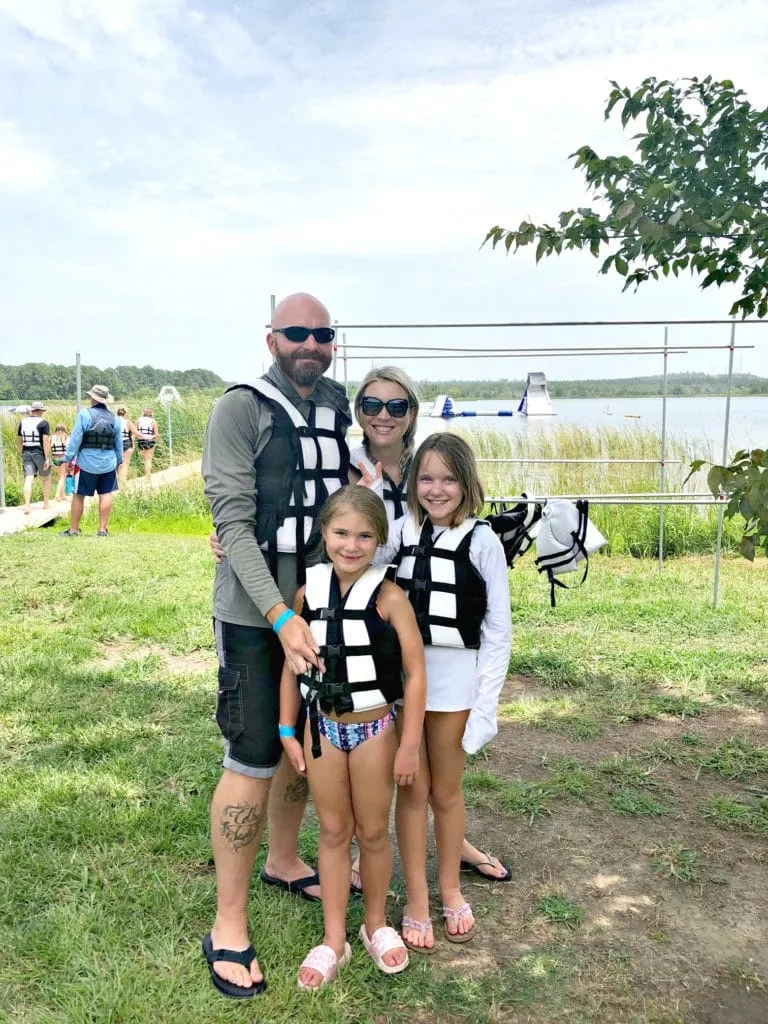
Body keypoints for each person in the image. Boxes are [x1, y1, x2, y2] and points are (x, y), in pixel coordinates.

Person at [211, 365, 515, 886]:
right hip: (365, 630)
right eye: (371, 405)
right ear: (358, 413)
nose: (383, 416)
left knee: (434, 753)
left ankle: (451, 836)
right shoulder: (343, 467)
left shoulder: (431, 467)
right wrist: (231, 539)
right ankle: (357, 849)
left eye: (396, 406)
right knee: (366, 738)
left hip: (432, 632)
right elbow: (309, 518)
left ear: (412, 413)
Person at [200, 292, 351, 1000]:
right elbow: (232, 521)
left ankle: (285, 860)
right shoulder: (239, 410)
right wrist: (278, 617)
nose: (311, 344)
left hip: (320, 605)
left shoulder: (342, 403)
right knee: (255, 753)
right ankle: (228, 925)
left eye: (322, 333)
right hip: (257, 617)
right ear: (271, 339)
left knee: (306, 741)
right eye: (298, 332)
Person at [279, 487, 426, 989]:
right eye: (341, 533)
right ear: (324, 534)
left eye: (365, 536)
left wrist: (409, 744)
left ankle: (376, 924)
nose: (352, 545)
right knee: (333, 831)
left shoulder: (389, 597)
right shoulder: (305, 593)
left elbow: (415, 672)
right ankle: (333, 939)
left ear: (379, 541)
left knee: (371, 832)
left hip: (375, 729)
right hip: (320, 729)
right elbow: (290, 669)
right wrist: (286, 730)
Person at [380, 433, 512, 949]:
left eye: (449, 479)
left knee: (445, 791)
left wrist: (487, 705)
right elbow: (352, 554)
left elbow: (498, 630)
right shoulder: (401, 531)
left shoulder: (483, 542)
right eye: (427, 478)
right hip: (404, 683)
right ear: (414, 483)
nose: (436, 489)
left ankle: (450, 887)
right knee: (411, 791)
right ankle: (416, 897)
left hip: (456, 687)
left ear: (467, 483)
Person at [59, 385, 123, 538]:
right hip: (108, 463)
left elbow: (75, 439)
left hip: (86, 463)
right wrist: (119, 461)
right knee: (106, 493)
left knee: (78, 495)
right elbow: (118, 443)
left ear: (93, 399)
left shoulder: (84, 414)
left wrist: (68, 458)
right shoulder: (115, 418)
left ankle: (74, 530)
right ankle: (102, 530)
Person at [17, 401, 52, 513]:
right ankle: (46, 503)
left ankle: (27, 505)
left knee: (29, 477)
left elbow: (20, 441)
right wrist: (47, 458)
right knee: (46, 477)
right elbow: (46, 442)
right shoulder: (44, 423)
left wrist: (21, 453)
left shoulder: (22, 422)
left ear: (32, 410)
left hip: (26, 451)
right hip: (39, 451)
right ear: (40, 411)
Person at [135, 408, 161, 480]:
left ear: (143, 413)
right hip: (150, 440)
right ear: (151, 414)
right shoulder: (153, 421)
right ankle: (147, 477)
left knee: (145, 459)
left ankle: (146, 476)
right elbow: (156, 434)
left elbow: (135, 432)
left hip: (141, 441)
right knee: (148, 460)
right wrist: (159, 440)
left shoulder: (138, 420)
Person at [116, 406, 139, 485]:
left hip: (115, 444)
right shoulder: (128, 422)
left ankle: (117, 483)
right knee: (125, 464)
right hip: (126, 443)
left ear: (117, 413)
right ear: (124, 414)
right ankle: (123, 482)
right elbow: (136, 433)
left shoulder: (113, 421)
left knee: (117, 464)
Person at [50, 423, 71, 502]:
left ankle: (62, 495)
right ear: (64, 429)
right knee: (63, 477)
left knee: (60, 476)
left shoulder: (51, 437)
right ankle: (57, 495)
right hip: (63, 457)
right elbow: (68, 448)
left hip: (55, 457)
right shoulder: (66, 437)